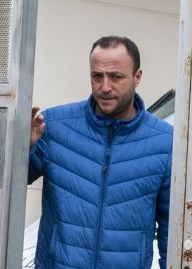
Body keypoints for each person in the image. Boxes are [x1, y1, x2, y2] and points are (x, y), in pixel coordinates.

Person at [28, 36, 172, 269]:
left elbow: (171, 230)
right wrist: (25, 147)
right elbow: (8, 180)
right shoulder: (54, 126)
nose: (105, 87)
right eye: (97, 76)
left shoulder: (164, 142)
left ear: (137, 77)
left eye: (116, 76)